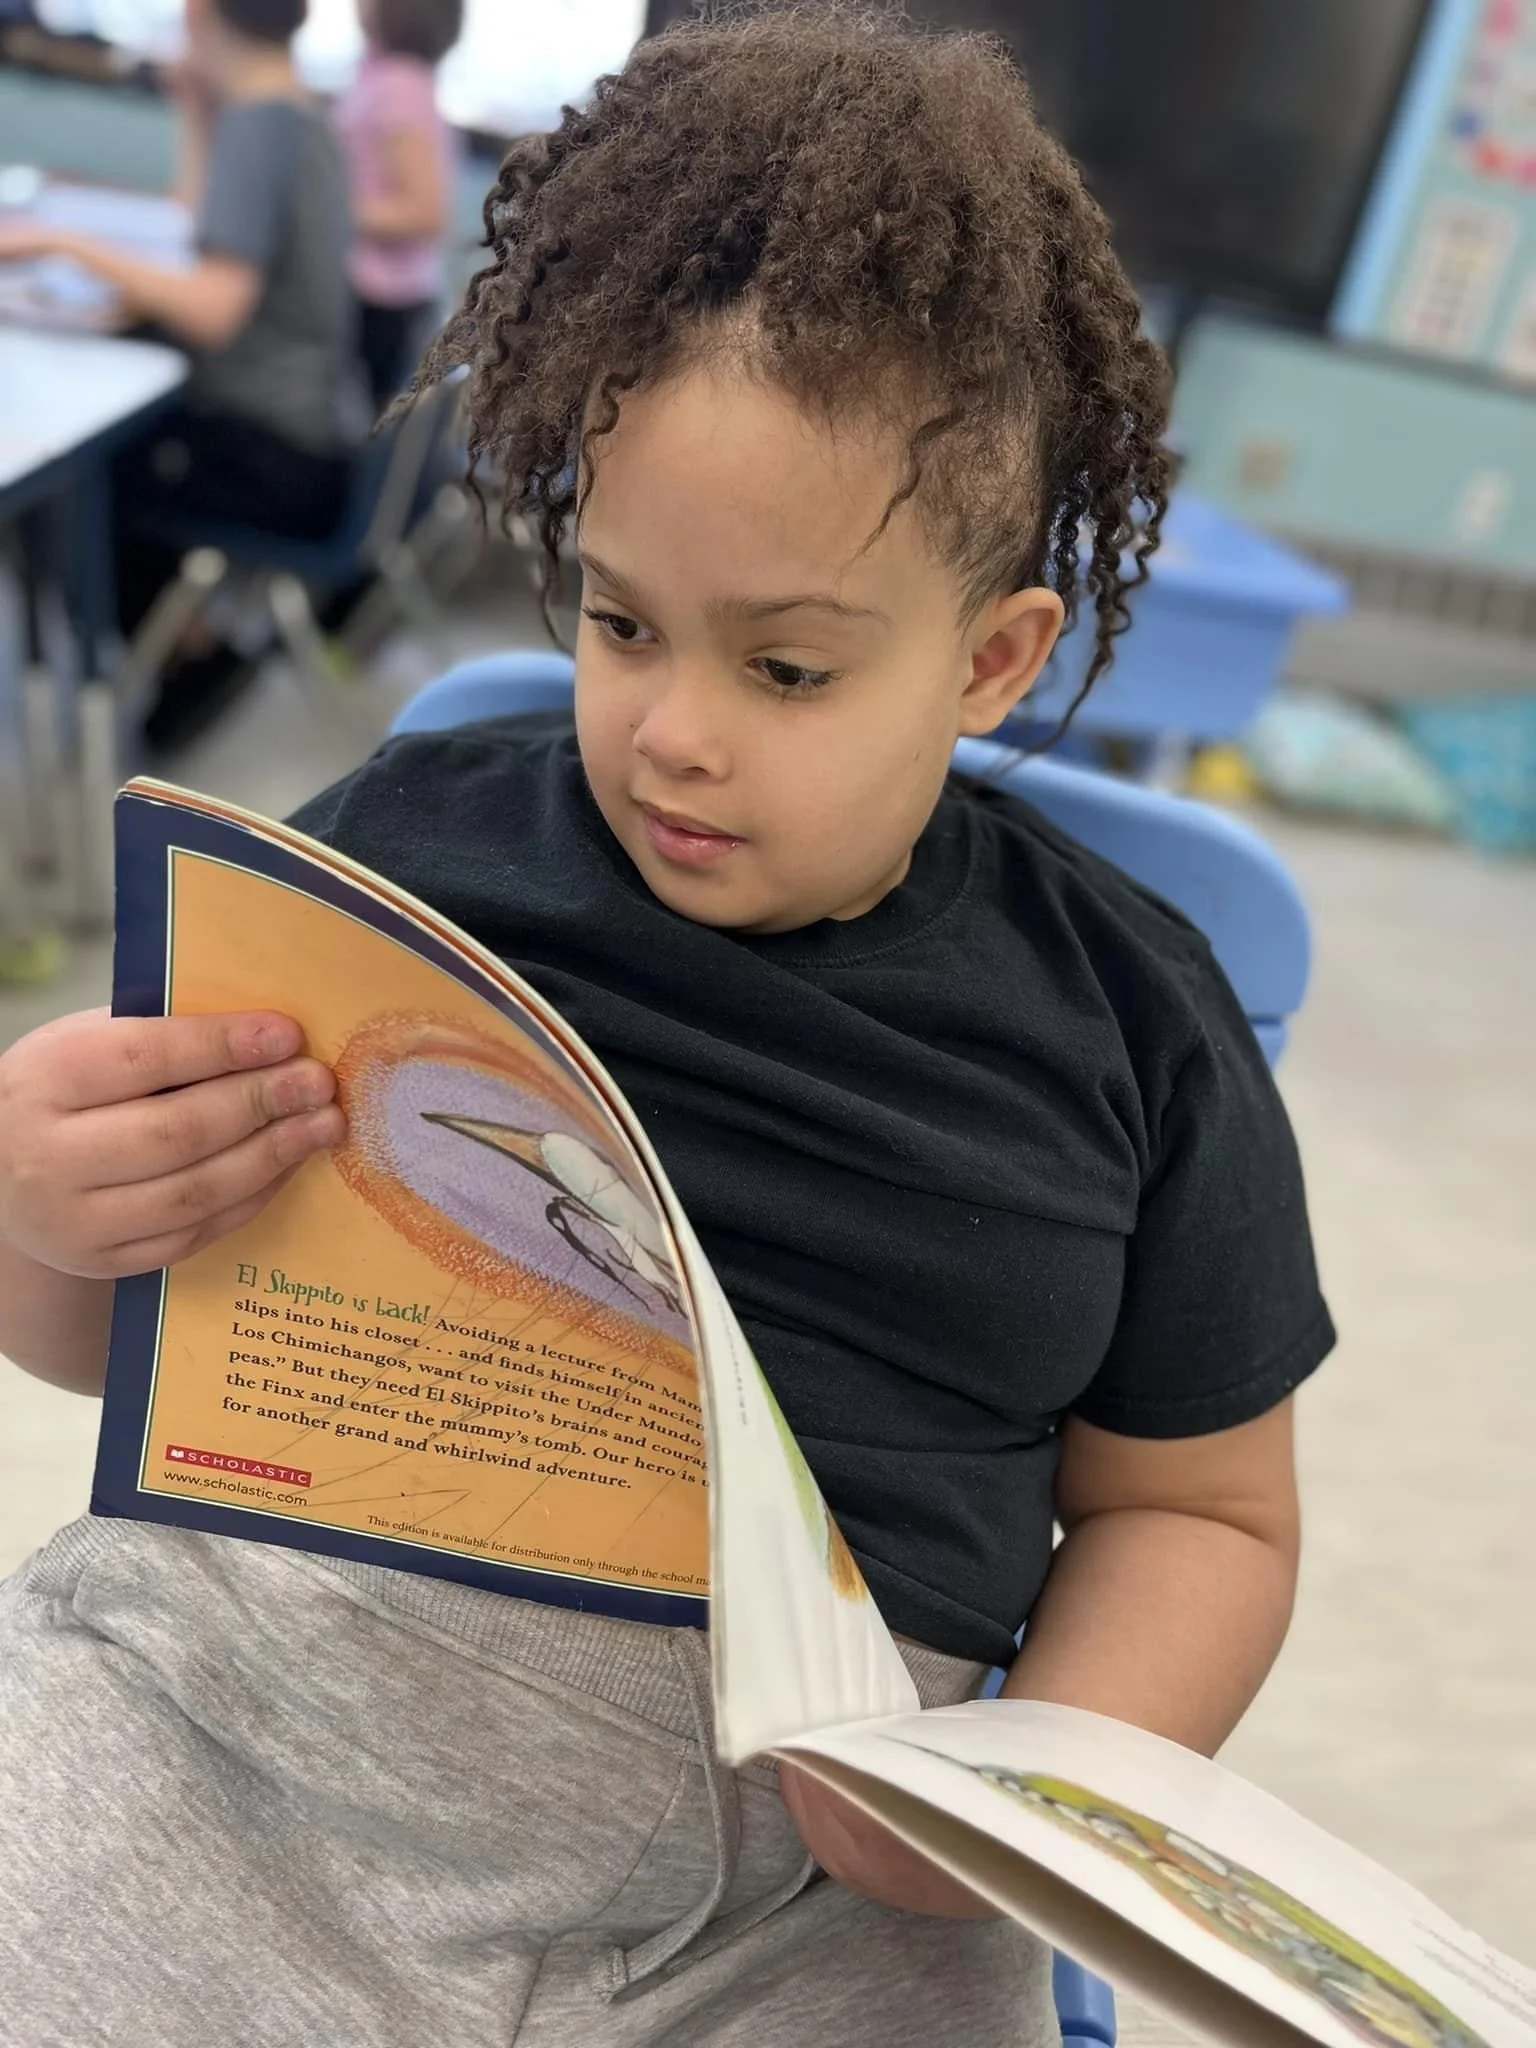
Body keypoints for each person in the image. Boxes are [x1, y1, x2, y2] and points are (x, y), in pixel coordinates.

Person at [0, 9, 1335, 2044]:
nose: (674, 733)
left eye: (788, 669)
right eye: (620, 621)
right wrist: (40, 1203)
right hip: (247, 1717)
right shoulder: (406, 856)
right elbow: (124, 1344)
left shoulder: (1133, 1021)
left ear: (992, 658)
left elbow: (1202, 1510)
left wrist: (1033, 1775)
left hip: (811, 1886)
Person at [0, 0, 365, 751]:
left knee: (72, 483)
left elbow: (212, 310)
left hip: (272, 452)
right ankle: (185, 644)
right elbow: (201, 221)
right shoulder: (294, 111)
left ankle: (154, 670)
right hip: (315, 433)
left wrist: (59, 241)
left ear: (199, 13)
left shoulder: (262, 127)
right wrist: (193, 109)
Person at [335, 0, 463, 410]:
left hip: (383, 300)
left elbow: (426, 214)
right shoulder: (387, 77)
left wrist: (327, 208)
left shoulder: (400, 85)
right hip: (381, 297)